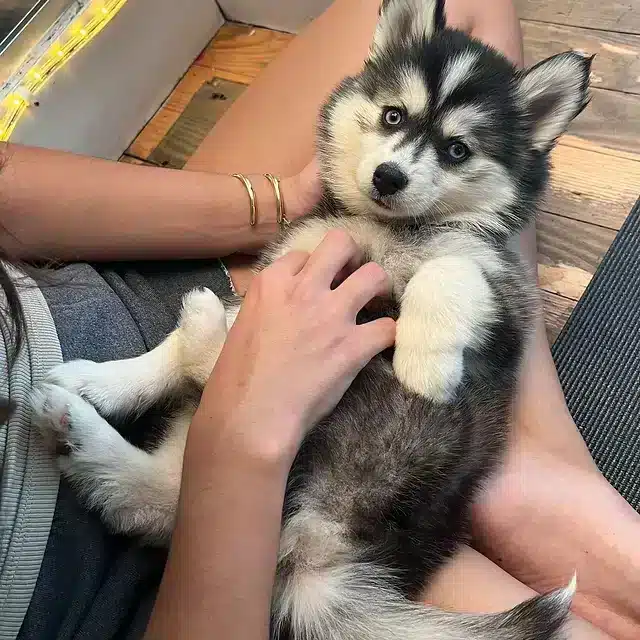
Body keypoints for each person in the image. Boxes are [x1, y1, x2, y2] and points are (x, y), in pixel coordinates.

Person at [0, 1, 637, 639]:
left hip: (155, 296)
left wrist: (280, 200)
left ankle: (533, 467)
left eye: (454, 148)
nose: (398, 162)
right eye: (394, 118)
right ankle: (526, 477)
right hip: (236, 543)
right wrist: (243, 443)